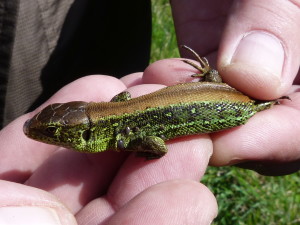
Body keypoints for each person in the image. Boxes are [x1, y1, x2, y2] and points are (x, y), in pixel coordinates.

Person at [0, 0, 299, 224]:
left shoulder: (124, 133)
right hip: (216, 92)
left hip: (239, 108)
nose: (38, 133)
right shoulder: (117, 115)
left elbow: (158, 147)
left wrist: (136, 148)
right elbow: (127, 98)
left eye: (53, 133)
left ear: (88, 133)